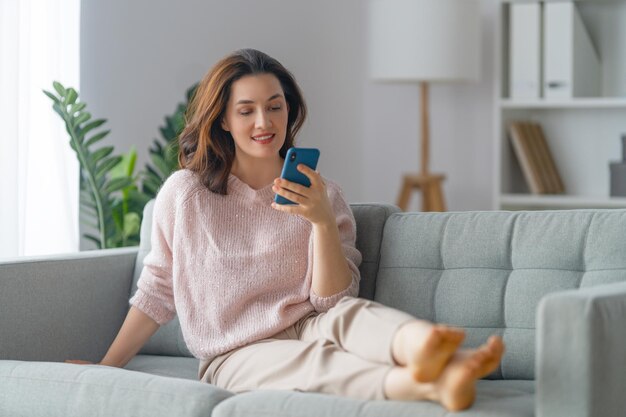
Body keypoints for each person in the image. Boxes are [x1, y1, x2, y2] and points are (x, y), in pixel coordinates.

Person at [67, 48, 504, 412]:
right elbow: (158, 291)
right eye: (247, 110)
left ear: (289, 110)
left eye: (275, 106)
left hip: (312, 321)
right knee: (313, 365)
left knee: (353, 317)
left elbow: (332, 300)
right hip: (233, 352)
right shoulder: (185, 194)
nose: (265, 122)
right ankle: (430, 384)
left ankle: (428, 347)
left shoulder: (321, 191)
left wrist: (320, 221)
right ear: (222, 119)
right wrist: (106, 367)